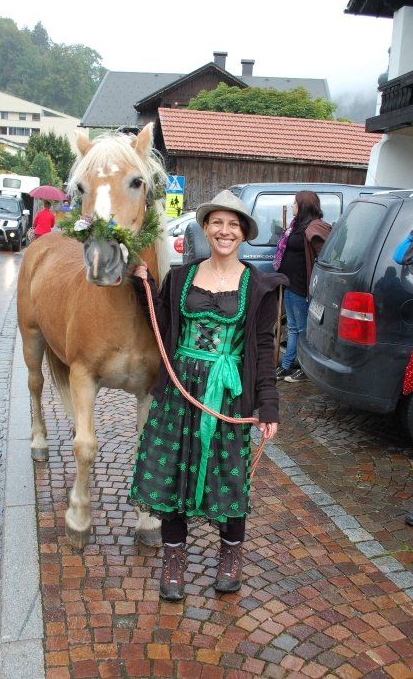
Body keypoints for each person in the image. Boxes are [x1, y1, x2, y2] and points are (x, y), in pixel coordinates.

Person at [130, 190, 288, 602]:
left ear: (244, 233)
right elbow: (162, 327)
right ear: (204, 228)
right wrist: (143, 286)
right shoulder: (181, 278)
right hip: (179, 393)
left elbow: (264, 349)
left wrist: (268, 405)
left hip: (228, 396)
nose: (225, 231)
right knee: (172, 476)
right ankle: (174, 562)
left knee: (229, 476)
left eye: (234, 224)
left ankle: (230, 558)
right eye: (217, 222)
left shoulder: (258, 286)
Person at [274, 191, 331, 383]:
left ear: (303, 206)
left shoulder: (314, 228)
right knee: (292, 328)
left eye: (295, 203)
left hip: (301, 287)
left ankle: (306, 369)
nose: (292, 206)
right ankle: (286, 366)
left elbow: (324, 256)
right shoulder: (295, 226)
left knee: (303, 330)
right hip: (289, 285)